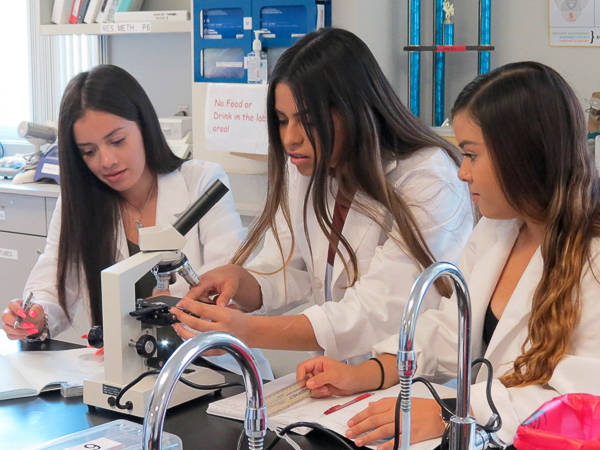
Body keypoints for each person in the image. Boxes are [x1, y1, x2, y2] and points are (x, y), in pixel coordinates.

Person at [295, 61, 600, 448]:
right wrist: (365, 374)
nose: (462, 173)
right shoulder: (498, 230)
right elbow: (450, 333)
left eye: (472, 155)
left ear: (522, 155)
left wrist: (453, 413)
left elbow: (580, 402)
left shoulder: (593, 257)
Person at [171, 28, 472, 363]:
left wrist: (249, 331)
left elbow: (383, 309)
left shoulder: (430, 178)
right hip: (340, 382)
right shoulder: (307, 168)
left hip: (413, 385)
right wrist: (240, 282)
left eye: (308, 121)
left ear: (356, 110)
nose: (290, 139)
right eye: (282, 121)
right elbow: (289, 267)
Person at [1, 64, 247, 344]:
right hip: (125, 369)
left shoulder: (201, 182)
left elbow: (228, 283)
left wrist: (179, 303)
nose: (106, 161)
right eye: (89, 151)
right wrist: (35, 316)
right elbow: (52, 280)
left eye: (117, 141)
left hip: (208, 361)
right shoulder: (80, 202)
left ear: (144, 126)